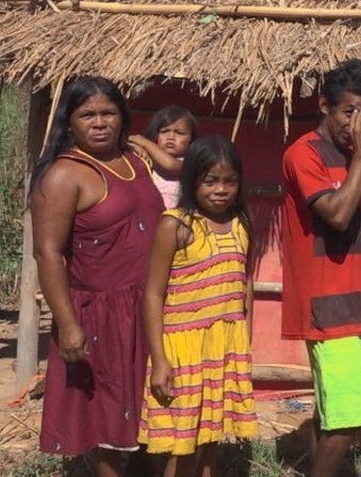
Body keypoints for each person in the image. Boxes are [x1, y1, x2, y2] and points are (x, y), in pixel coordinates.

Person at [31, 76, 163, 475]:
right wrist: (68, 324)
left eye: (108, 113)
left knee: (147, 410)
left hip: (148, 304)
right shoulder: (64, 176)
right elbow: (48, 253)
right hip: (102, 314)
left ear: (123, 117)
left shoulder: (136, 160)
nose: (100, 122)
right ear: (69, 123)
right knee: (108, 416)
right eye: (87, 114)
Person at [279, 59, 361, 477]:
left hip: (350, 300)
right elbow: (338, 217)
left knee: (332, 413)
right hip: (325, 304)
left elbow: (355, 232)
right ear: (324, 105)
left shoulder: (345, 154)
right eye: (348, 112)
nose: (356, 124)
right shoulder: (303, 154)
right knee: (347, 421)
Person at [140, 135, 257, 475]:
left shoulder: (241, 224)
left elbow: (243, 283)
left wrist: (243, 340)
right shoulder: (175, 225)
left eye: (229, 181)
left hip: (223, 349)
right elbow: (153, 294)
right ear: (192, 181)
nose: (220, 190)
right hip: (183, 351)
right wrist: (160, 361)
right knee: (183, 445)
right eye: (210, 181)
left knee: (210, 440)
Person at [129, 105, 196, 209]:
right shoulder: (145, 156)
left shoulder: (191, 162)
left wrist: (144, 142)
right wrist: (137, 146)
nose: (171, 137)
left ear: (192, 138)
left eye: (179, 133)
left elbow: (170, 164)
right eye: (164, 131)